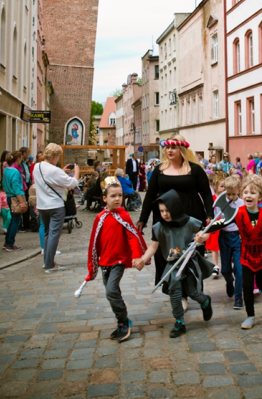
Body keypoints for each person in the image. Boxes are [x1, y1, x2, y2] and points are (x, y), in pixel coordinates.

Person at [137, 135, 213, 311]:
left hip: (191, 216)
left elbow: (206, 194)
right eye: (167, 148)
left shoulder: (195, 170)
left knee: (190, 255)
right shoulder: (159, 170)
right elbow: (149, 196)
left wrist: (209, 214)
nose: (169, 151)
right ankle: (179, 294)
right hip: (166, 219)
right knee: (167, 255)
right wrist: (143, 218)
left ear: (182, 149)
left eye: (174, 147)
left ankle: (191, 291)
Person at [134, 190, 214, 338]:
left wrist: (202, 237)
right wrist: (143, 259)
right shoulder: (160, 227)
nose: (164, 214)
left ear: (175, 207)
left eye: (167, 210)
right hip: (172, 265)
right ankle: (179, 322)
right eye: (161, 211)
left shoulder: (189, 222)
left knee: (193, 292)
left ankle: (205, 301)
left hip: (189, 263)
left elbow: (206, 231)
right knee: (175, 294)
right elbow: (153, 246)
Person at [85, 177, 147, 342]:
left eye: (120, 195)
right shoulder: (100, 217)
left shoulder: (124, 215)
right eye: (113, 196)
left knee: (111, 290)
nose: (117, 199)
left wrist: (136, 256)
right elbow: (94, 241)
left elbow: (133, 236)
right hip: (105, 261)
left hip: (118, 260)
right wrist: (92, 266)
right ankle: (120, 321)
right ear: (105, 198)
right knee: (111, 294)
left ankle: (123, 320)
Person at [232, 179, 262, 329]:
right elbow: (223, 222)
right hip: (246, 256)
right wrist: (209, 228)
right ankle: (250, 316)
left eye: (252, 192)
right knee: (247, 285)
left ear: (260, 197)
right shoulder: (238, 213)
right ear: (241, 195)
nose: (248, 195)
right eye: (245, 192)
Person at [33, 143, 79, 273]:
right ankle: (49, 264)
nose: (58, 159)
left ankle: (47, 261)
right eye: (58, 156)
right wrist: (76, 172)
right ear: (54, 156)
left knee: (47, 233)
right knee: (54, 235)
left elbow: (48, 178)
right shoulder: (55, 170)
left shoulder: (37, 167)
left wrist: (61, 172)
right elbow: (72, 183)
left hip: (42, 206)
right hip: (55, 206)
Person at [216, 175, 244, 309]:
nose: (231, 197)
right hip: (224, 236)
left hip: (238, 237)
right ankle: (229, 281)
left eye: (233, 194)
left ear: (239, 191)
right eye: (228, 194)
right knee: (225, 269)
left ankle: (238, 297)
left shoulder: (242, 204)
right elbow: (217, 220)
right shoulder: (221, 202)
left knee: (240, 270)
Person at [1, 151, 27, 251]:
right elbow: (16, 188)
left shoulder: (6, 169)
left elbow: (4, 182)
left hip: (8, 196)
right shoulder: (15, 171)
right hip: (15, 197)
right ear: (17, 159)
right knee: (16, 221)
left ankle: (7, 242)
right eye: (20, 158)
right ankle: (10, 244)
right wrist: (21, 202)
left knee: (12, 220)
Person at [205, 174, 226, 279]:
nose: (224, 189)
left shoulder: (227, 199)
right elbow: (209, 210)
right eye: (222, 186)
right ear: (215, 187)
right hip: (215, 223)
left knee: (223, 245)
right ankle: (215, 265)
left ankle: (225, 264)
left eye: (225, 186)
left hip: (225, 224)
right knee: (214, 245)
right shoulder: (212, 198)